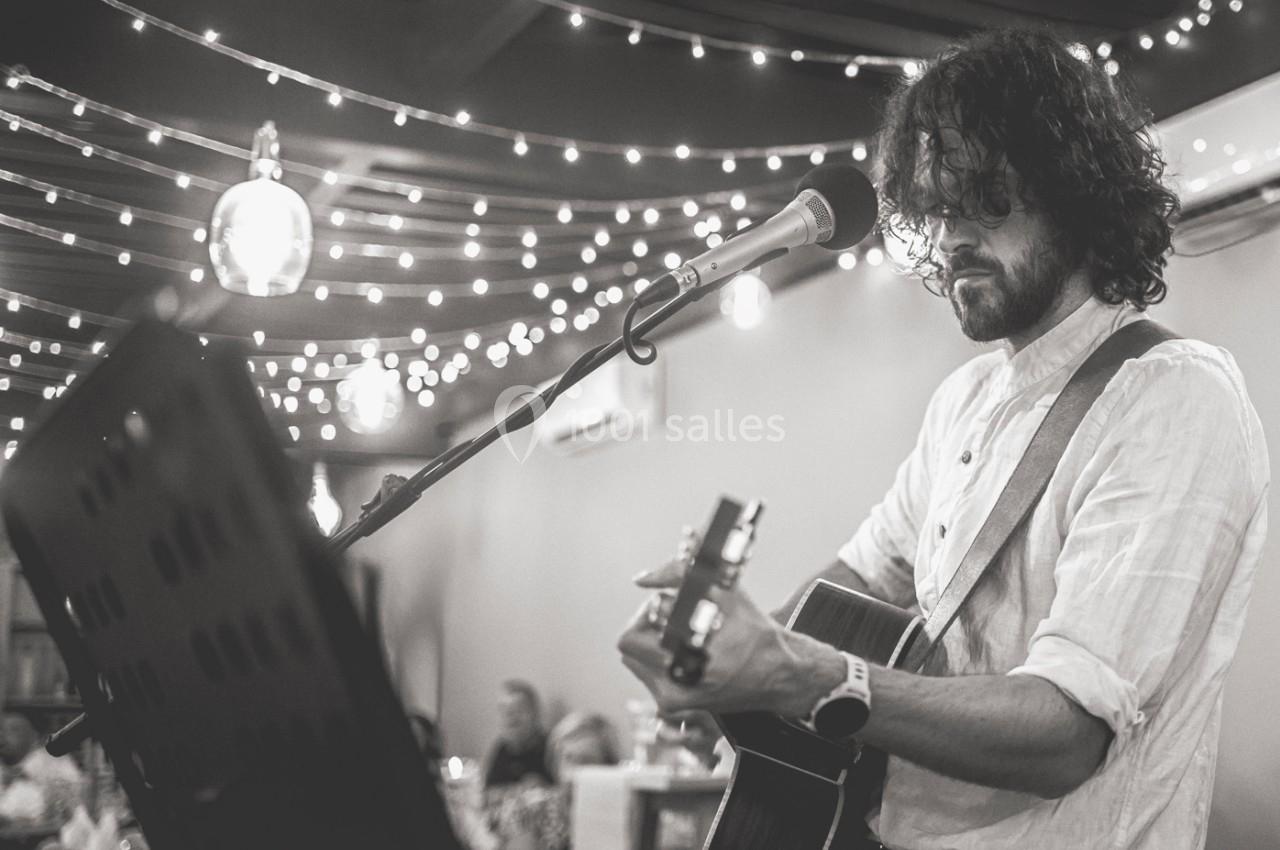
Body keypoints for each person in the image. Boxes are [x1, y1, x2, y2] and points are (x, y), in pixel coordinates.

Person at [618, 28, 1269, 850]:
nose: (955, 233)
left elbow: (1067, 730)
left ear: (1077, 193)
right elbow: (863, 574)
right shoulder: (965, 400)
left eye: (988, 198)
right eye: (938, 207)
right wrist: (728, 663)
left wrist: (810, 676)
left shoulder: (1173, 398)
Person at [491, 713, 619, 850]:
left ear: (608, 768)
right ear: (556, 763)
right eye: (569, 758)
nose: (573, 771)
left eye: (586, 761)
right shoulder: (531, 811)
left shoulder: (616, 817)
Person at [0, 711, 85, 829]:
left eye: (14, 730)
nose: (3, 736)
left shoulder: (55, 762)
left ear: (34, 735)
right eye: (2, 729)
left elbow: (74, 806)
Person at [483, 681, 553, 790]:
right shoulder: (501, 750)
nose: (510, 716)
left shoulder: (551, 749)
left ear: (535, 713)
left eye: (518, 709)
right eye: (504, 709)